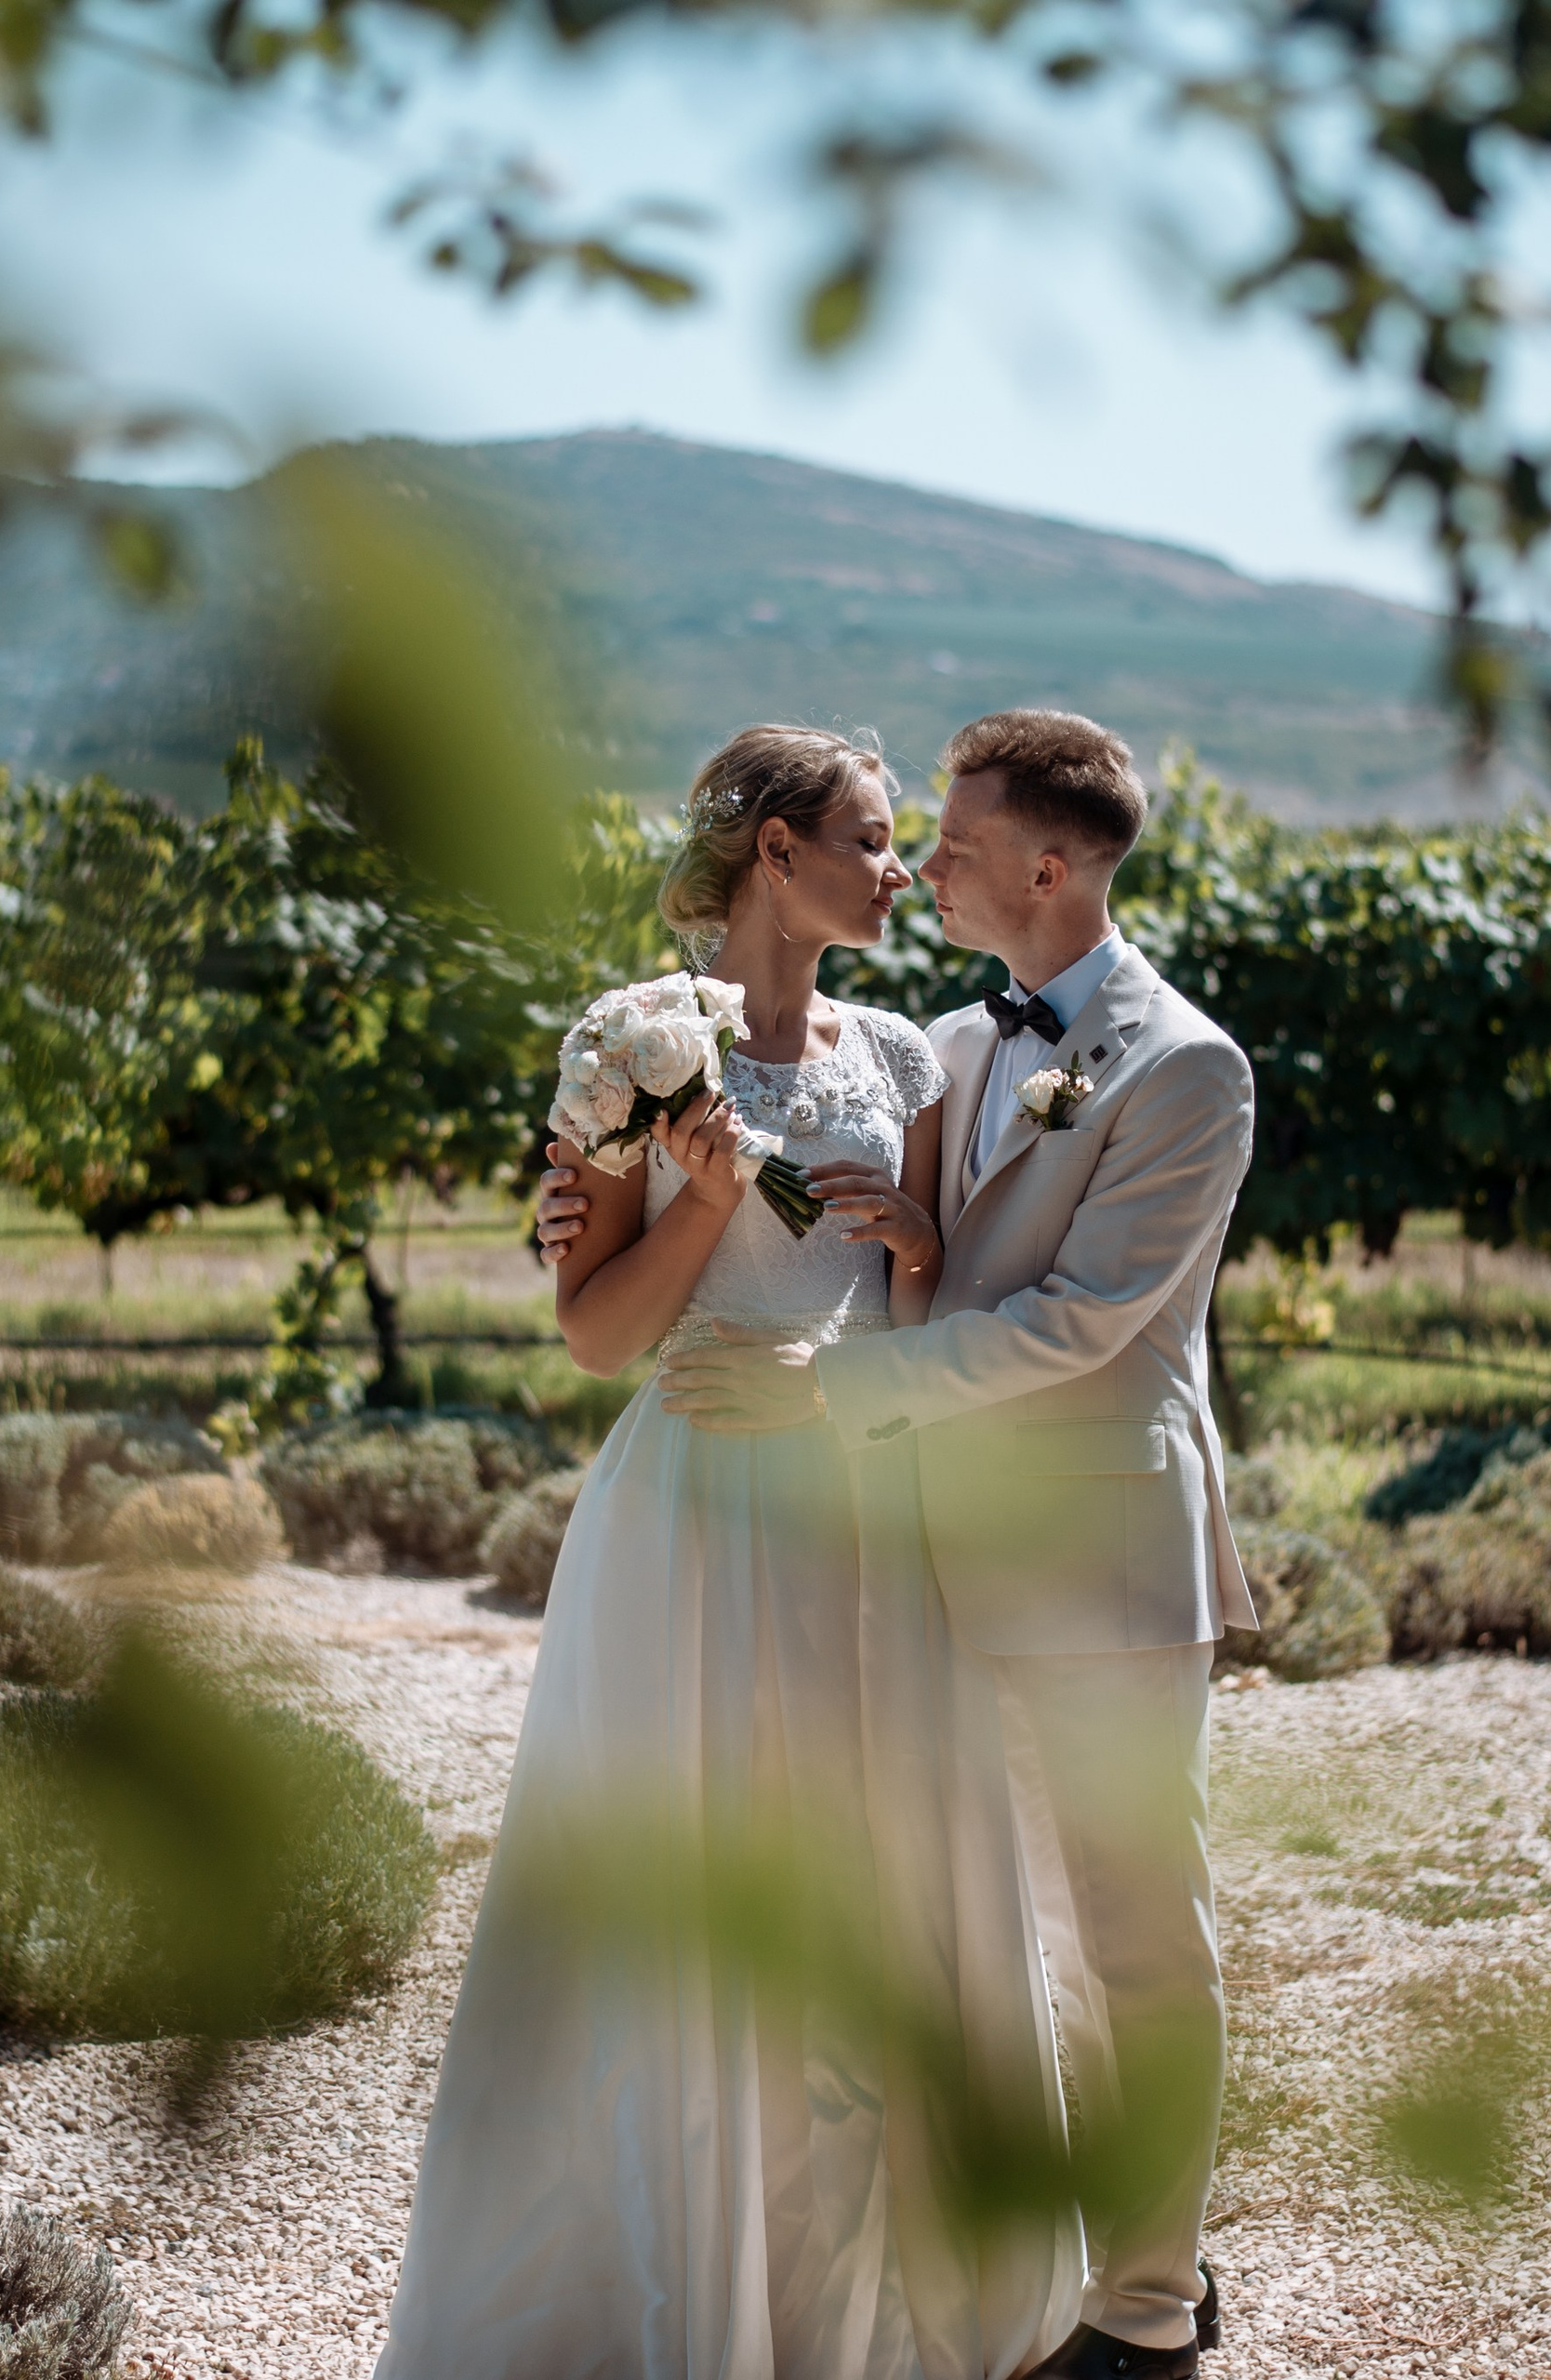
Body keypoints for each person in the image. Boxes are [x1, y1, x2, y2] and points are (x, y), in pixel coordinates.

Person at [538, 709, 1256, 2380]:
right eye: (896, 836)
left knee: (1136, 1938)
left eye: (950, 840)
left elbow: (1082, 1322)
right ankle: (857, 2267)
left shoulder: (1184, 1065)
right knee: (939, 1924)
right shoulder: (940, 1040)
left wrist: (830, 1385)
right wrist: (603, 1204)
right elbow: (880, 1262)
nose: (923, 865)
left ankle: (1148, 2308)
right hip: (894, 1546)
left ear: (1049, 868)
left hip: (1088, 1554)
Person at [376, 722, 1084, 2380]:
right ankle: (679, 2291)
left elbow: (915, 1309)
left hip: (863, 1511)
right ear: (777, 851)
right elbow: (595, 1336)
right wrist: (700, 1197)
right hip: (690, 1518)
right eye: (872, 836)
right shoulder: (632, 1046)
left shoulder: (901, 1054)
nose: (900, 868)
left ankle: (865, 2302)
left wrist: (920, 1245)